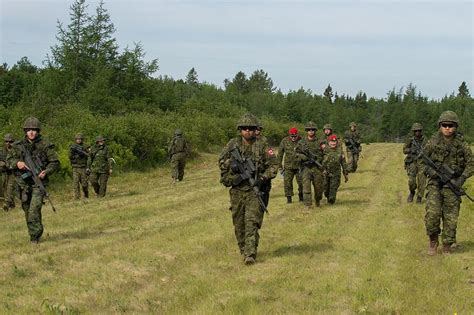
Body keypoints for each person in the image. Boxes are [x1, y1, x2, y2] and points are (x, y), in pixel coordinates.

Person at [218, 113, 278, 265]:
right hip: (237, 190)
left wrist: (262, 178)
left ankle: (250, 253)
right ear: (240, 130)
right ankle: (244, 249)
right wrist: (232, 164)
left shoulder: (263, 145)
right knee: (239, 224)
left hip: (254, 190)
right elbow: (221, 161)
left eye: (251, 128)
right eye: (245, 128)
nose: (248, 131)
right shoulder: (232, 144)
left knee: (251, 222)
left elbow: (274, 165)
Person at [423, 111, 473, 255]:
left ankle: (447, 244)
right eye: (444, 125)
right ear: (440, 126)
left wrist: (461, 179)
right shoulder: (432, 142)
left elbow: (471, 163)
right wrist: (432, 173)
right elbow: (423, 161)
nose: (447, 128)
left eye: (451, 125)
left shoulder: (461, 144)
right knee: (432, 214)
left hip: (453, 184)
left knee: (451, 217)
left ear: (455, 126)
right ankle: (433, 240)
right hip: (435, 184)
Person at [7, 117, 60, 243]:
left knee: (34, 210)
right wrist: (17, 163)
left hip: (38, 183)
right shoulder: (17, 146)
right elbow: (9, 160)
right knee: (27, 211)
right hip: (23, 184)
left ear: (38, 131)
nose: (32, 132)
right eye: (29, 130)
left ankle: (34, 237)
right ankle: (35, 231)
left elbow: (55, 163)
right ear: (25, 131)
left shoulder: (45, 145)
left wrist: (46, 171)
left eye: (34, 130)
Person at [296, 121, 324, 208]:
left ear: (315, 131)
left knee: (318, 187)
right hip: (306, 167)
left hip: (316, 167)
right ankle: (307, 204)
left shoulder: (320, 141)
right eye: (309, 130)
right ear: (306, 131)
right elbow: (296, 153)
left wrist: (317, 159)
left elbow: (324, 154)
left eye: (312, 130)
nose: (311, 131)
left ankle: (318, 201)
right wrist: (303, 157)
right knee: (306, 187)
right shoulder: (301, 142)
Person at [402, 123, 427, 203]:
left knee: (422, 181)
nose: (417, 133)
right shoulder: (410, 140)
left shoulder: (425, 140)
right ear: (413, 132)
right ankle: (412, 192)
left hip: (422, 162)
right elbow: (404, 150)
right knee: (411, 181)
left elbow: (429, 150)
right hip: (412, 161)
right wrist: (410, 150)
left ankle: (419, 197)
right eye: (416, 131)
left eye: (419, 131)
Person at [278, 127, 303, 203]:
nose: (293, 138)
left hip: (299, 166)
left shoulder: (301, 141)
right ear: (289, 135)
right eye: (292, 136)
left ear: (297, 135)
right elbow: (280, 154)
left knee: (301, 182)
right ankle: (289, 199)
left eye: (295, 136)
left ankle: (301, 196)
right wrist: (280, 166)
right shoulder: (284, 141)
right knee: (287, 183)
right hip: (288, 166)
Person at [322, 134, 349, 204]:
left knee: (333, 187)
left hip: (336, 173)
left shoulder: (340, 151)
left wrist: (345, 174)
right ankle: (327, 196)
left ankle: (332, 199)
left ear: (337, 142)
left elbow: (343, 163)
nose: (333, 143)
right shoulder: (324, 150)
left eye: (334, 142)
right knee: (325, 187)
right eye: (331, 141)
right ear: (328, 142)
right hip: (326, 172)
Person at [255, 122, 272, 208]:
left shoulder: (264, 142)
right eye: (255, 128)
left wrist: (263, 177)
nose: (256, 131)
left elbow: (272, 162)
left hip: (262, 179)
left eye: (258, 129)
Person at [69, 133, 89, 199]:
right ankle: (77, 197)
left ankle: (86, 194)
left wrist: (82, 153)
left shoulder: (85, 146)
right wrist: (73, 153)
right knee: (76, 183)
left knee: (84, 184)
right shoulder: (73, 147)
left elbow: (89, 155)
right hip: (75, 167)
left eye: (80, 139)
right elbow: (70, 156)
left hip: (83, 167)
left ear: (82, 139)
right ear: (75, 140)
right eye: (77, 139)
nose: (78, 140)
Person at [0, 134, 17, 211]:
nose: (8, 143)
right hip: (4, 173)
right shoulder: (2, 150)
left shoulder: (16, 150)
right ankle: (11, 205)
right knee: (4, 188)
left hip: (13, 173)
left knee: (10, 188)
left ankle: (6, 204)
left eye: (10, 141)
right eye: (6, 141)